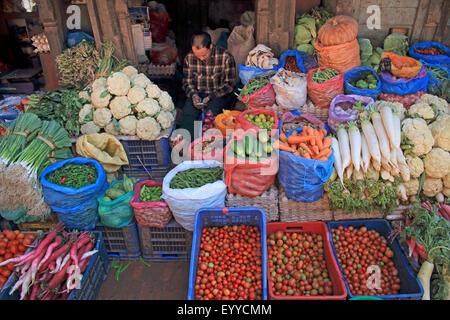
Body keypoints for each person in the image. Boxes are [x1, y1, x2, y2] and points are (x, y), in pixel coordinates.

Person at [181, 31, 237, 140]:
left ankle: (208, 145)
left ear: (211, 46)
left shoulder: (226, 57)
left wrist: (210, 97)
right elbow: (187, 82)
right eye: (198, 55)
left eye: (204, 55)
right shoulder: (189, 58)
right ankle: (187, 146)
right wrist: (194, 96)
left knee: (210, 117)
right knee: (188, 115)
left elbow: (229, 84)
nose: (201, 58)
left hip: (217, 95)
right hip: (197, 93)